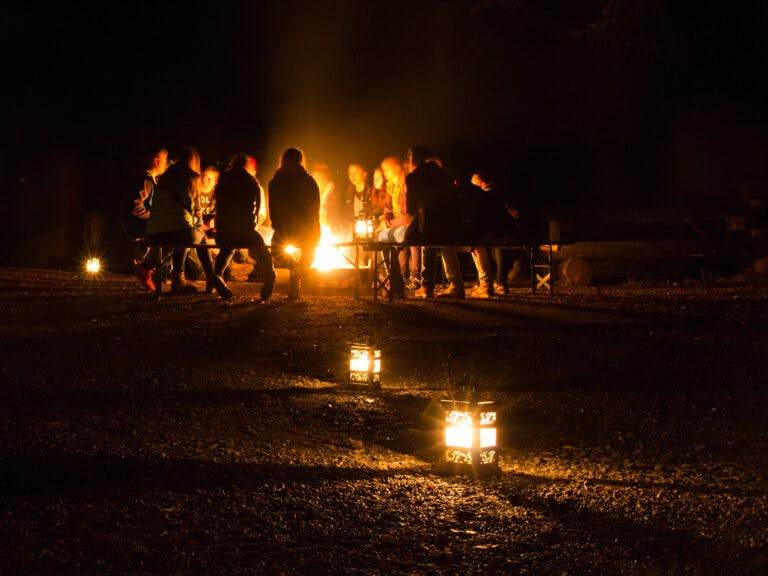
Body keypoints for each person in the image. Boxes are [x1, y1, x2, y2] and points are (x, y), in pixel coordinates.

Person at [144, 147, 231, 298]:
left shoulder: (163, 177)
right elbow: (194, 210)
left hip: (154, 232)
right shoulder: (192, 177)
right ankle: (213, 276)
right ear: (194, 162)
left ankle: (178, 280)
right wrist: (198, 217)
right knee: (198, 237)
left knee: (185, 235)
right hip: (178, 233)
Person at [212, 154, 276, 302]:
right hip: (245, 229)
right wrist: (251, 225)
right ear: (246, 166)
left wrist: (220, 226)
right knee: (262, 250)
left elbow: (219, 207)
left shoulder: (222, 181)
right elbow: (257, 207)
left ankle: (217, 275)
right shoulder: (252, 182)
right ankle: (270, 274)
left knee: (227, 249)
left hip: (225, 230)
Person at [404, 146, 465, 299]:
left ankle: (427, 286)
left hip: (428, 225)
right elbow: (455, 201)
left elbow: (411, 209)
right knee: (445, 243)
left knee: (422, 237)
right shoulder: (444, 175)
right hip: (451, 222)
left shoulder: (413, 178)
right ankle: (456, 285)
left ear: (413, 159)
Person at [268, 147, 321, 300]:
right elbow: (315, 208)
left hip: (285, 230)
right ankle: (297, 273)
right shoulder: (309, 181)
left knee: (276, 250)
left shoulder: (275, 182)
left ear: (283, 161)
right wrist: (315, 228)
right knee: (309, 252)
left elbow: (273, 208)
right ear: (300, 161)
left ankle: (294, 270)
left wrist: (277, 225)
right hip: (307, 230)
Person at [468, 169, 521, 297]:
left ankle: (494, 283)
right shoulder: (500, 191)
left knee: (479, 245)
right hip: (509, 230)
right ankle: (498, 281)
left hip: (498, 232)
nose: (472, 186)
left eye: (473, 183)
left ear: (481, 182)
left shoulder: (487, 194)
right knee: (495, 246)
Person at [126, 147, 168, 291]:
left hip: (147, 225)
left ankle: (151, 271)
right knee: (173, 237)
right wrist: (154, 217)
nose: (166, 164)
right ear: (156, 161)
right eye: (164, 160)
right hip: (141, 226)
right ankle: (147, 270)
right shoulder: (145, 180)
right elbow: (134, 206)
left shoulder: (151, 180)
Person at [377, 156, 420, 292]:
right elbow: (388, 208)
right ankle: (396, 276)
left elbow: (408, 216)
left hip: (412, 225)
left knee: (400, 235)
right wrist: (385, 218)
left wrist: (389, 223)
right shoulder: (391, 186)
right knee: (382, 235)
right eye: (383, 170)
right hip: (399, 224)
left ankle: (414, 276)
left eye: (387, 169)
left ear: (397, 168)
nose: (385, 173)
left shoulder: (406, 184)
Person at [185, 164, 219, 280]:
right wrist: (203, 226)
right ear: (202, 177)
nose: (209, 181)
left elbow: (216, 214)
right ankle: (221, 271)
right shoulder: (196, 192)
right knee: (201, 243)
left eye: (212, 179)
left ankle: (229, 268)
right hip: (197, 226)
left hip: (209, 228)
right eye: (206, 177)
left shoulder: (216, 194)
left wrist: (214, 223)